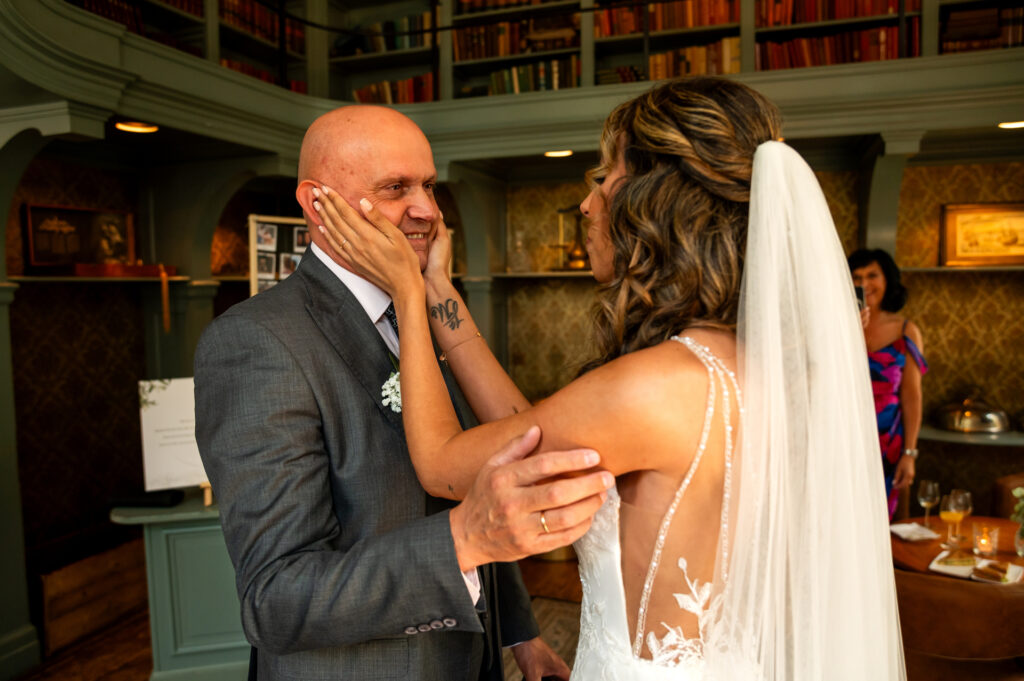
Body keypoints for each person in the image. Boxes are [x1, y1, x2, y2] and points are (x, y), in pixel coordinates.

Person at [315, 77, 905, 680]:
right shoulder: (752, 366)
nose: (587, 202)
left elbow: (443, 465)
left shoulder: (652, 387)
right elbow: (528, 433)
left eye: (603, 178)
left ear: (655, 199)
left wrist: (409, 297)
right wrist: (441, 290)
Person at [194, 105, 615, 681]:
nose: (427, 210)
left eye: (428, 185)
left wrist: (520, 634)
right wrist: (463, 540)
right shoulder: (256, 342)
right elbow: (276, 598)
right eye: (396, 188)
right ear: (318, 204)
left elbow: (472, 483)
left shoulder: (425, 314)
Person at [849, 248, 927, 519]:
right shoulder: (837, 327)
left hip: (888, 443)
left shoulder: (907, 330)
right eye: (856, 277)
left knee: (878, 518)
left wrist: (910, 453)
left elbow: (912, 395)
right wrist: (846, 332)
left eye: (872, 275)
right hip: (846, 434)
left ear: (887, 280)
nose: (864, 284)